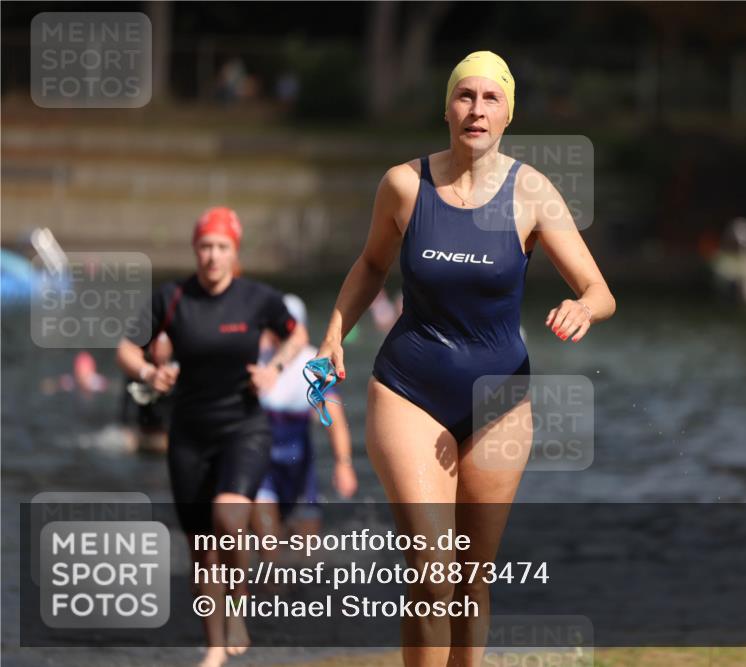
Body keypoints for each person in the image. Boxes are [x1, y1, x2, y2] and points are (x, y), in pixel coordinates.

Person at [315, 51, 615, 666]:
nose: (476, 110)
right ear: (446, 106)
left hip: (501, 401)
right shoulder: (405, 185)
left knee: (471, 581)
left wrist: (583, 309)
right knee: (432, 571)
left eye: (490, 99)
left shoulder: (531, 191)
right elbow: (372, 264)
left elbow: (600, 290)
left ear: (508, 112)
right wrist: (332, 337)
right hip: (409, 389)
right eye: (464, 96)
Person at [116, 206, 307, 667]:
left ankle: (238, 606)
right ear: (195, 250)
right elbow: (126, 345)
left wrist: (274, 370)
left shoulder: (256, 298)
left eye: (221, 247)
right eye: (205, 246)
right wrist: (147, 371)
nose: (212, 256)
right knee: (202, 549)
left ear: (233, 250)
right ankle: (215, 648)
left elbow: (296, 334)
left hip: (243, 426)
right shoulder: (173, 297)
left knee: (229, 514)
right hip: (189, 434)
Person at [250, 294, 357, 570]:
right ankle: (270, 599)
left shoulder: (313, 364)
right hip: (263, 469)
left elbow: (334, 417)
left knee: (307, 560)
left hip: (301, 470)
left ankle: (303, 608)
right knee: (269, 553)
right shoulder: (257, 361)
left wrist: (343, 464)